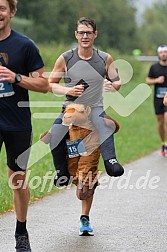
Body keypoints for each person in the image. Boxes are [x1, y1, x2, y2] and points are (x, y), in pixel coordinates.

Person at [48, 17, 124, 235]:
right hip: (71, 111)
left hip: (95, 111)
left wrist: (113, 84)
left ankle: (85, 216)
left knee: (104, 131)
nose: (84, 36)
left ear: (95, 35)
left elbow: (117, 81)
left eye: (88, 33)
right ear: (76, 34)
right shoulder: (66, 58)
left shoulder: (104, 59)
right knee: (54, 135)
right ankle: (61, 172)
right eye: (81, 32)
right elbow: (52, 84)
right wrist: (68, 91)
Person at [0, 0, 48, 251]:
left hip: (17, 123)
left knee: (17, 179)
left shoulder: (25, 45)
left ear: (12, 12)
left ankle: (21, 232)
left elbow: (44, 84)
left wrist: (16, 77)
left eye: (2, 8)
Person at [146, 45, 167, 156]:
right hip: (158, 98)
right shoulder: (154, 67)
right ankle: (163, 143)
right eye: (162, 52)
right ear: (159, 54)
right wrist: (156, 80)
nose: (164, 54)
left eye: (165, 52)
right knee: (160, 123)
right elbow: (147, 81)